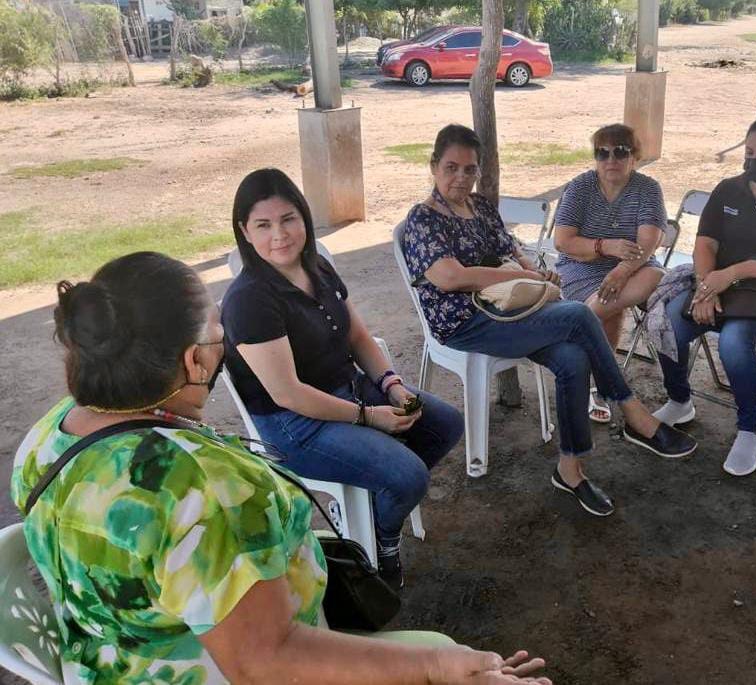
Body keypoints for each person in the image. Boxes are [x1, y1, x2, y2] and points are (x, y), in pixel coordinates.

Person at [10, 252, 551, 684]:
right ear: (194, 361)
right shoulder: (205, 490)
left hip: (112, 658)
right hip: (208, 667)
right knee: (442, 649)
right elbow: (267, 662)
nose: (224, 338)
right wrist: (435, 667)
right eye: (217, 331)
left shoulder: (48, 435)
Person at [400, 124, 698, 519]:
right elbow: (450, 277)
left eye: (469, 169)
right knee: (578, 314)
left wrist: (532, 271)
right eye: (451, 168)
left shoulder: (480, 207)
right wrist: (514, 276)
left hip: (510, 308)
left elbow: (512, 250)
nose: (461, 178)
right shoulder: (423, 219)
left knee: (573, 357)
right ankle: (632, 412)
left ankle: (570, 469)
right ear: (434, 166)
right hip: (466, 322)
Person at [220, 168, 464, 590]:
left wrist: (391, 385)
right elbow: (288, 394)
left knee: (443, 424)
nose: (279, 235)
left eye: (288, 219)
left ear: (304, 217)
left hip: (349, 389)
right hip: (295, 425)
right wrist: (369, 416)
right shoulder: (249, 300)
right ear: (245, 231)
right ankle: (380, 542)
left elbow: (358, 337)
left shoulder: (316, 267)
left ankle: (366, 511)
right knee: (408, 476)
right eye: (263, 225)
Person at [653, 116, 756, 477]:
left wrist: (728, 275)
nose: (754, 160)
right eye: (749, 152)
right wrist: (705, 288)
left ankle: (749, 431)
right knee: (667, 323)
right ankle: (679, 400)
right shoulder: (728, 189)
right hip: (716, 286)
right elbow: (705, 244)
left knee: (733, 341)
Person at [552, 124, 667, 423]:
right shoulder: (580, 187)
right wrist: (605, 246)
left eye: (620, 152)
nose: (610, 159)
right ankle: (599, 384)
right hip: (581, 266)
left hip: (635, 266)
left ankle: (581, 326)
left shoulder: (647, 189)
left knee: (654, 276)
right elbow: (563, 242)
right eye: (602, 153)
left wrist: (622, 271)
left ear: (635, 157)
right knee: (613, 309)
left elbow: (649, 242)